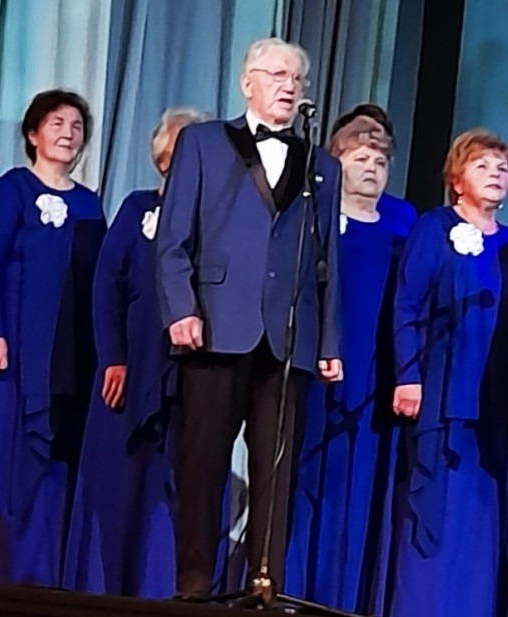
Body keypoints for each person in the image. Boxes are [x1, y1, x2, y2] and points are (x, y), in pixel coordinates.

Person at [155, 37, 342, 598]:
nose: (289, 86)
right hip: (215, 326)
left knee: (277, 475)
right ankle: (193, 586)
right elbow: (173, 237)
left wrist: (328, 341)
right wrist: (181, 308)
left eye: (297, 79)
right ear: (247, 83)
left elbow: (327, 259)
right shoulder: (203, 142)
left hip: (288, 338)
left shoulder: (322, 165)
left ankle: (265, 585)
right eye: (277, 75)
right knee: (203, 465)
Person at [62, 107, 211, 598]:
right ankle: (102, 587)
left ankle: (159, 590)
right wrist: (113, 358)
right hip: (131, 366)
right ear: (163, 159)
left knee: (174, 485)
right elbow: (106, 284)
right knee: (116, 477)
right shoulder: (136, 208)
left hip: (190, 372)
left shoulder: (220, 220)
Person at [0, 89, 105, 586]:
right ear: (33, 134)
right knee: (6, 455)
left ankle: (41, 574)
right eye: (57, 124)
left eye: (77, 127)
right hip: (16, 348)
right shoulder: (13, 189)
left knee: (56, 460)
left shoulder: (89, 202)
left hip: (68, 355)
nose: (68, 134)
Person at [389, 129, 508, 617]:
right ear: (456, 178)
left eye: (503, 169)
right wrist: (408, 376)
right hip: (440, 393)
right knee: (433, 509)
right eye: (483, 166)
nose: (496, 175)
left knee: (480, 513)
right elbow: (407, 304)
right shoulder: (434, 227)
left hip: (493, 401)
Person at [285, 116, 416, 614]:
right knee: (309, 478)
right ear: (335, 163)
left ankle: (349, 600)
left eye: (380, 161)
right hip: (320, 367)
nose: (371, 168)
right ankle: (294, 590)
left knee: (363, 488)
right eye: (360, 158)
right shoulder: (312, 220)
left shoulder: (404, 226)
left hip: (377, 375)